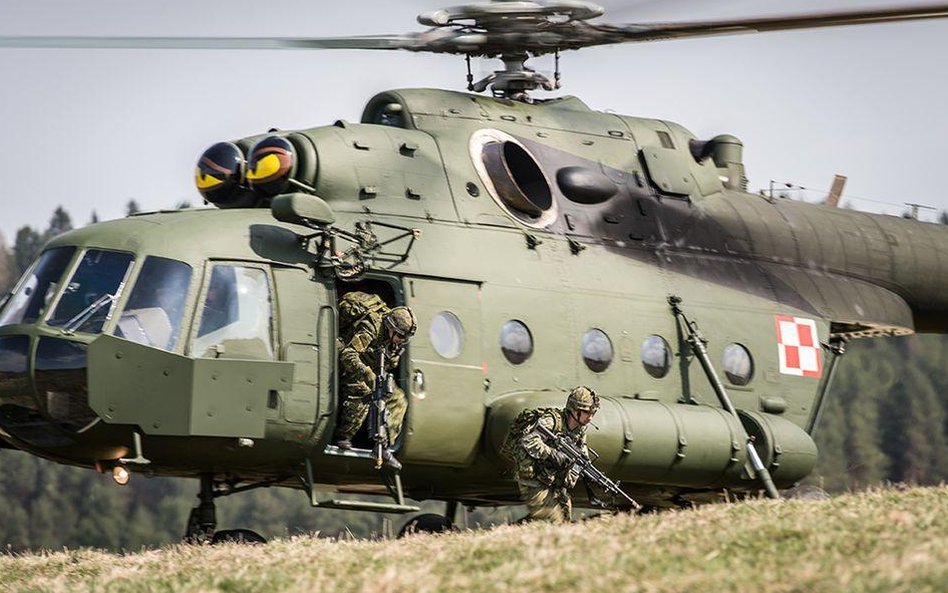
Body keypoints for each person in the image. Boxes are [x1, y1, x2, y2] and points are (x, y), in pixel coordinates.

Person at [332, 291, 416, 471]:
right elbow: (348, 354)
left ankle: (385, 446)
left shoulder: (394, 342)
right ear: (391, 327)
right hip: (349, 359)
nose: (402, 340)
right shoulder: (371, 327)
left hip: (372, 366)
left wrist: (392, 355)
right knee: (363, 390)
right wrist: (366, 373)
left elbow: (389, 364)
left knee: (398, 400)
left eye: (405, 338)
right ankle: (343, 436)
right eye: (400, 336)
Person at [512, 386, 600, 523]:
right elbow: (528, 440)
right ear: (575, 410)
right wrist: (552, 454)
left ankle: (516, 530)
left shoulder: (580, 431)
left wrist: (572, 475)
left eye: (593, 413)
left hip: (553, 482)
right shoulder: (552, 421)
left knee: (565, 518)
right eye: (587, 413)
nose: (591, 417)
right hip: (533, 481)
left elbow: (582, 457)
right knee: (554, 520)